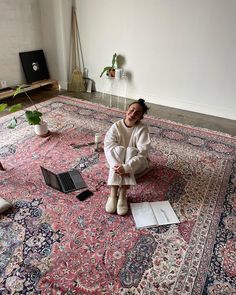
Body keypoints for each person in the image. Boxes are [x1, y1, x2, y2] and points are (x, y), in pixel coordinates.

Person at [104, 98, 151, 216]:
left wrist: (126, 167)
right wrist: (118, 166)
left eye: (137, 113)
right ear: (126, 110)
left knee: (130, 151)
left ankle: (123, 193)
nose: (133, 114)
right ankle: (113, 192)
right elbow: (108, 147)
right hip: (116, 162)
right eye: (131, 110)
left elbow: (143, 153)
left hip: (134, 165)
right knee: (118, 150)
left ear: (140, 118)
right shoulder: (116, 126)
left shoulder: (142, 129)